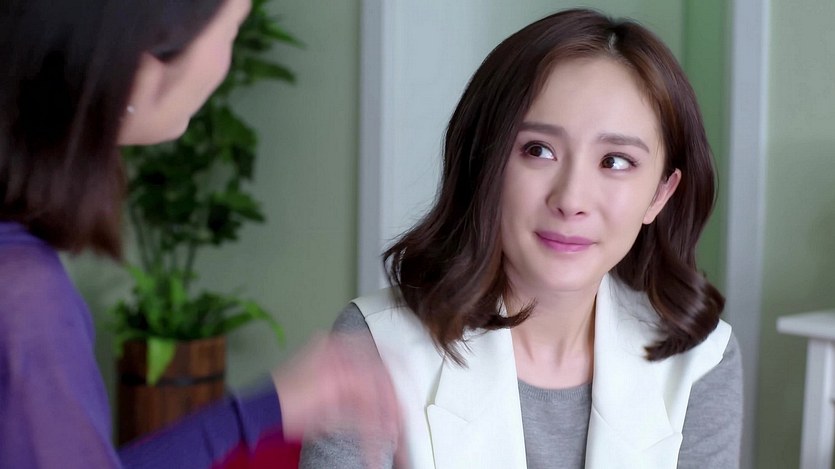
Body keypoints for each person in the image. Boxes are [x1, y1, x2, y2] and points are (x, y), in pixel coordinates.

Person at [300, 8, 742, 469]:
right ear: (483, 164)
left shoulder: (702, 360)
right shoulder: (377, 343)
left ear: (660, 194)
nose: (571, 199)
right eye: (538, 150)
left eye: (615, 161)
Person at [0, 0, 398, 467]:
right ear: (147, 59)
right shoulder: (25, 299)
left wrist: (270, 408)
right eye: (230, 33)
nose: (224, 66)